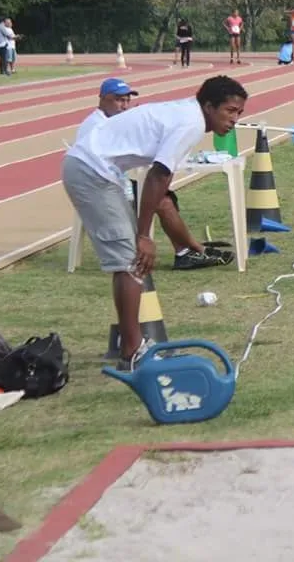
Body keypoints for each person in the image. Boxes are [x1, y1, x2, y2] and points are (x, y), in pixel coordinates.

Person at [62, 75, 248, 370]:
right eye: (230, 111)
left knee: (129, 261)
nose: (235, 119)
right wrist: (144, 235)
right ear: (209, 106)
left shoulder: (189, 112)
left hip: (97, 170)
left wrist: (142, 232)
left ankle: (131, 346)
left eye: (239, 113)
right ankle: (133, 351)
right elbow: (157, 176)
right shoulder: (191, 123)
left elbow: (163, 177)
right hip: (91, 171)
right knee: (131, 261)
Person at [74, 78, 236, 271]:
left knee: (164, 195)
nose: (124, 105)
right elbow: (98, 164)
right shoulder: (94, 125)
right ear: (102, 99)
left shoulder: (125, 119)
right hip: (103, 181)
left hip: (117, 179)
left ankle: (190, 248)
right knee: (162, 200)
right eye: (118, 100)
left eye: (127, 100)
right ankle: (188, 251)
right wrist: (143, 234)